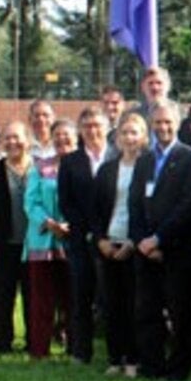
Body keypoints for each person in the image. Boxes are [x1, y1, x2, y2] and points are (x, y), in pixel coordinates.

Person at [132, 100, 191, 381]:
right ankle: (151, 365)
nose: (163, 127)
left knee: (180, 313)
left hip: (177, 250)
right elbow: (134, 204)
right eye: (158, 123)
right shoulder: (144, 160)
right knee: (147, 310)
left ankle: (178, 368)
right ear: (151, 125)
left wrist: (159, 239)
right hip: (145, 251)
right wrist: (142, 240)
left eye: (168, 122)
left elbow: (188, 205)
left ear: (178, 125)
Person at [94, 112, 148, 377]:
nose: (129, 138)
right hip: (109, 243)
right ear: (116, 139)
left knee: (135, 305)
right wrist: (101, 240)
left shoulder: (149, 168)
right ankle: (115, 358)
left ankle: (134, 360)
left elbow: (151, 211)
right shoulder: (107, 170)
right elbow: (95, 210)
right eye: (124, 133)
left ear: (143, 137)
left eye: (134, 132)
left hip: (135, 246)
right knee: (112, 305)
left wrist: (134, 242)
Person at [58, 106, 113, 364]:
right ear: (80, 130)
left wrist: (105, 232)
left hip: (113, 237)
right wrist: (89, 231)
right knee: (81, 297)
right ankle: (81, 351)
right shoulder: (70, 161)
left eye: (97, 125)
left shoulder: (118, 156)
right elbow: (66, 202)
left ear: (106, 128)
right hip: (81, 239)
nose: (93, 130)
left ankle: (117, 351)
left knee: (112, 296)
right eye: (87, 126)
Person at [21, 119, 77, 359]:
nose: (62, 140)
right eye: (58, 135)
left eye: (67, 136)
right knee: (41, 299)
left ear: (76, 139)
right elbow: (30, 202)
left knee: (72, 298)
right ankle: (39, 349)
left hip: (71, 240)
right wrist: (48, 223)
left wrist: (71, 225)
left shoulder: (83, 167)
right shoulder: (39, 167)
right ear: (51, 139)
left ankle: (75, 347)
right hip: (41, 240)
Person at [0, 121, 33, 353]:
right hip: (4, 244)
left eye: (17, 137)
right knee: (3, 296)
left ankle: (35, 340)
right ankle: (4, 342)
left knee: (34, 296)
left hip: (34, 245)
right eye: (8, 138)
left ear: (27, 141)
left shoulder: (39, 169)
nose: (13, 142)